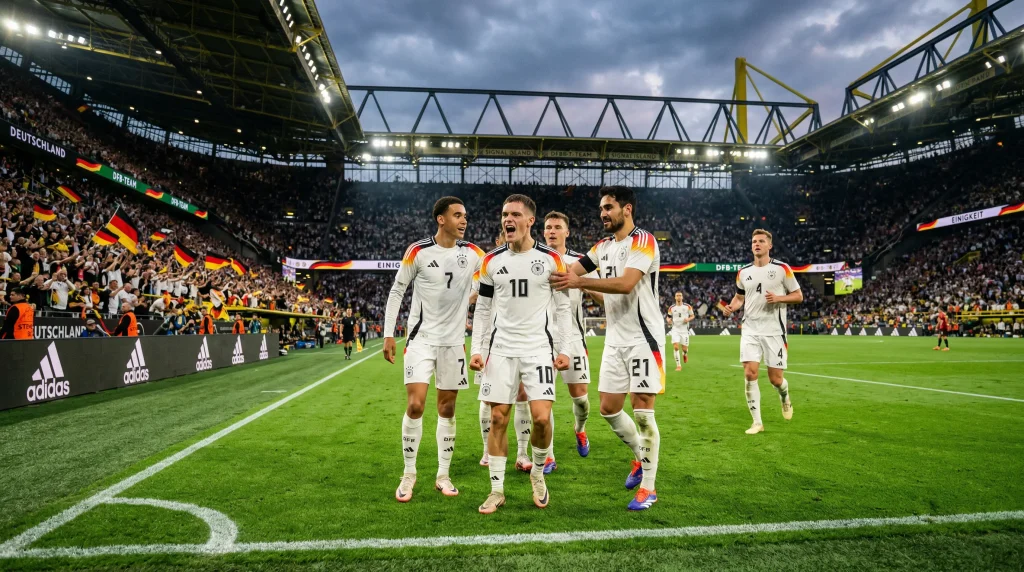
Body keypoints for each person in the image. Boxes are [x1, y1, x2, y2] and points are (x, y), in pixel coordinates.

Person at [550, 186, 664, 511]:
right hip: (615, 339)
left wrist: (580, 282)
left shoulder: (643, 241)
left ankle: (649, 489)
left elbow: (626, 284)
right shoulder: (601, 247)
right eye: (601, 208)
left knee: (642, 412)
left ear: (627, 209)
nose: (603, 213)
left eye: (609, 207)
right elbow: (568, 273)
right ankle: (641, 458)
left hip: (644, 338)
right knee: (609, 408)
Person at [470, 194, 572, 515]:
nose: (507, 219)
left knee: (541, 417)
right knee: (498, 417)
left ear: (530, 221)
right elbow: (484, 310)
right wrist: (478, 350)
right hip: (501, 349)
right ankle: (496, 490)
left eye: (515, 214)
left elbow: (563, 306)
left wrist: (563, 349)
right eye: (504, 214)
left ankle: (538, 475)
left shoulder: (552, 261)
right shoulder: (491, 261)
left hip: (538, 349)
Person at [383, 196, 484, 503]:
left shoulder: (474, 253)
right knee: (415, 405)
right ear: (441, 219)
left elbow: (496, 272)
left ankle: (443, 475)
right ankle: (409, 473)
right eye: (457, 215)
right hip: (420, 340)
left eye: (465, 215)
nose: (464, 220)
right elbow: (397, 289)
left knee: (447, 408)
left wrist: (469, 297)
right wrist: (389, 334)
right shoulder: (419, 251)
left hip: (453, 343)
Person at [722, 229, 803, 435]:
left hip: (774, 331)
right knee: (750, 373)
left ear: (769, 246)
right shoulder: (743, 272)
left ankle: (784, 396)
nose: (756, 244)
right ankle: (757, 422)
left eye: (761, 241)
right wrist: (731, 307)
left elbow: (798, 296)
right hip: (750, 329)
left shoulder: (782, 269)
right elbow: (739, 298)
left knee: (775, 379)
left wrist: (779, 298)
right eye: (754, 241)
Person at [542, 211, 602, 463]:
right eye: (548, 227)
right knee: (543, 400)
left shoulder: (581, 261)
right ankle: (548, 455)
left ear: (567, 232)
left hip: (574, 338)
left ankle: (579, 430)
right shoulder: (534, 260)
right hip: (541, 339)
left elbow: (605, 299)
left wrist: (581, 282)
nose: (552, 231)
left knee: (581, 399)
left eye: (557, 227)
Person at [668, 292, 694, 370]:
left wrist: (688, 319)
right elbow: (668, 317)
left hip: (684, 331)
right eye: (677, 296)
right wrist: (669, 320)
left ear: (682, 297)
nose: (679, 297)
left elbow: (692, 316)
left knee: (684, 349)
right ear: (675, 297)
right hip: (675, 329)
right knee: (676, 347)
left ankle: (684, 354)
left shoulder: (687, 307)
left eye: (680, 296)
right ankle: (678, 365)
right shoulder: (671, 308)